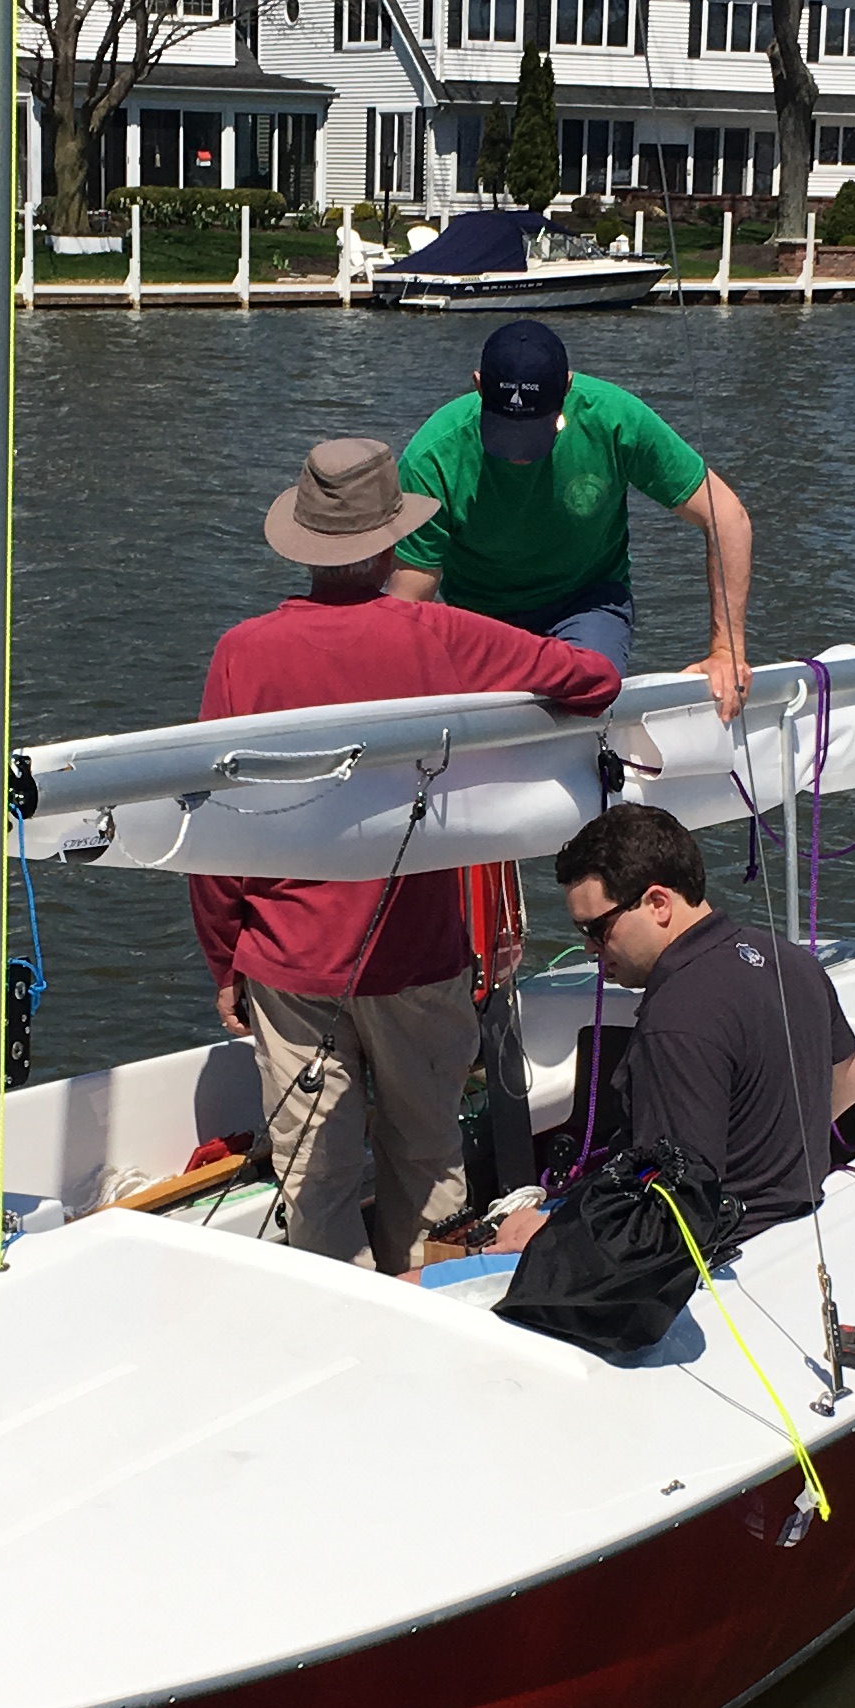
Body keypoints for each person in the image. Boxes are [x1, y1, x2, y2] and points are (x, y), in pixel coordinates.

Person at [194, 439, 623, 1272]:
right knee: (429, 1171)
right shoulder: (443, 636)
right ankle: (428, 1308)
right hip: (419, 953)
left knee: (313, 1181)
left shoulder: (241, 653)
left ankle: (344, 1330)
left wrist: (226, 959)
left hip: (287, 956)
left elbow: (215, 831)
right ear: (392, 543)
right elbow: (593, 679)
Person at [388, 319, 756, 719]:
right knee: (473, 716)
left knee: (584, 700)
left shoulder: (614, 417)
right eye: (505, 433)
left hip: (584, 602)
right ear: (478, 385)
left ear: (566, 387)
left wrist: (726, 651)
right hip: (480, 615)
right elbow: (410, 596)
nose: (519, 455)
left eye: (533, 431)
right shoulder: (432, 455)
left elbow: (726, 516)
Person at [547, 803, 855, 1249]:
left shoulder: (674, 1019)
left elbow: (668, 1209)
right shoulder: (792, 961)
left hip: (707, 1251)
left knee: (422, 1280)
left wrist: (547, 1230)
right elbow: (852, 1084)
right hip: (791, 1225)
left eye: (597, 929)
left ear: (658, 903)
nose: (589, 948)